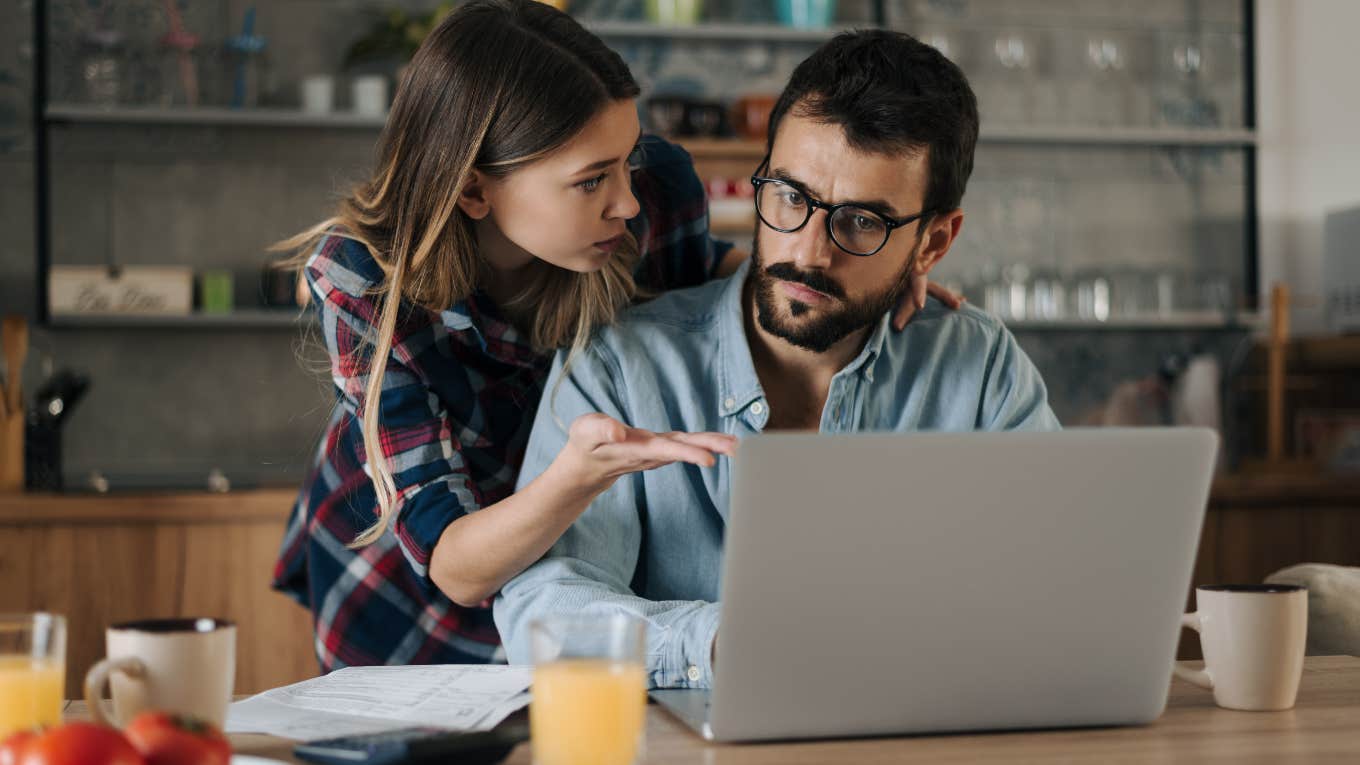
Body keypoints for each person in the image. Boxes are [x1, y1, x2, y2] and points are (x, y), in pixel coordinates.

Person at [271, 2, 957, 671]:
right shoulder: (366, 279)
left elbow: (725, 289)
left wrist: (867, 269)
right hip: (414, 589)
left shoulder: (651, 194)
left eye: (625, 159)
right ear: (476, 192)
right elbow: (456, 567)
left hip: (568, 571)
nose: (626, 200)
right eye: (591, 180)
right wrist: (576, 475)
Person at [495, 29, 1062, 689]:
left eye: (860, 222)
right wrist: (714, 642)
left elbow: (1051, 582)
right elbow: (545, 610)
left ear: (933, 241)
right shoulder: (621, 365)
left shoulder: (981, 365)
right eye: (791, 198)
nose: (810, 253)